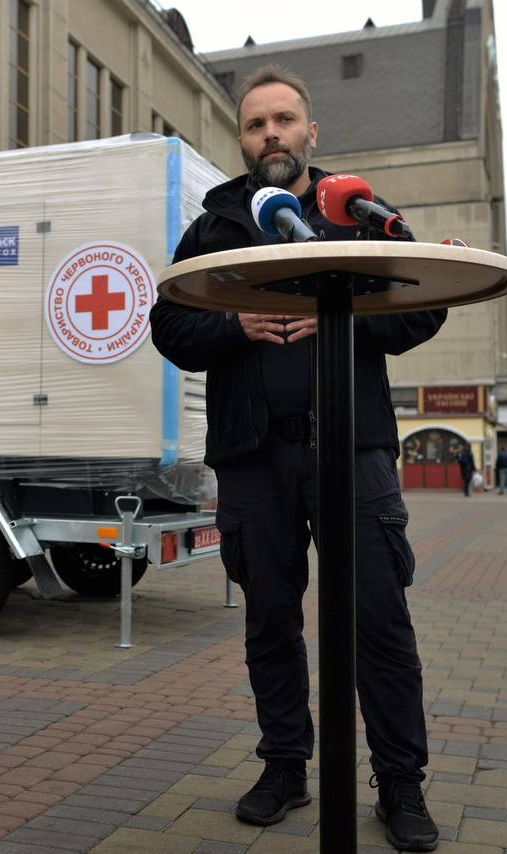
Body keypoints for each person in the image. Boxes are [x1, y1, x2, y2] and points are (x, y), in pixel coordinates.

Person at [149, 66, 444, 852]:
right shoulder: (214, 227)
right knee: (270, 623)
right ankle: (285, 765)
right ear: (242, 140)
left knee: (379, 622)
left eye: (284, 120)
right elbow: (168, 328)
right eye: (256, 125)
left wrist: (339, 317)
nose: (270, 135)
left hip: (354, 453)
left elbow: (424, 306)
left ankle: (402, 783)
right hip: (253, 459)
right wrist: (233, 325)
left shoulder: (357, 211)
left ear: (311, 133)